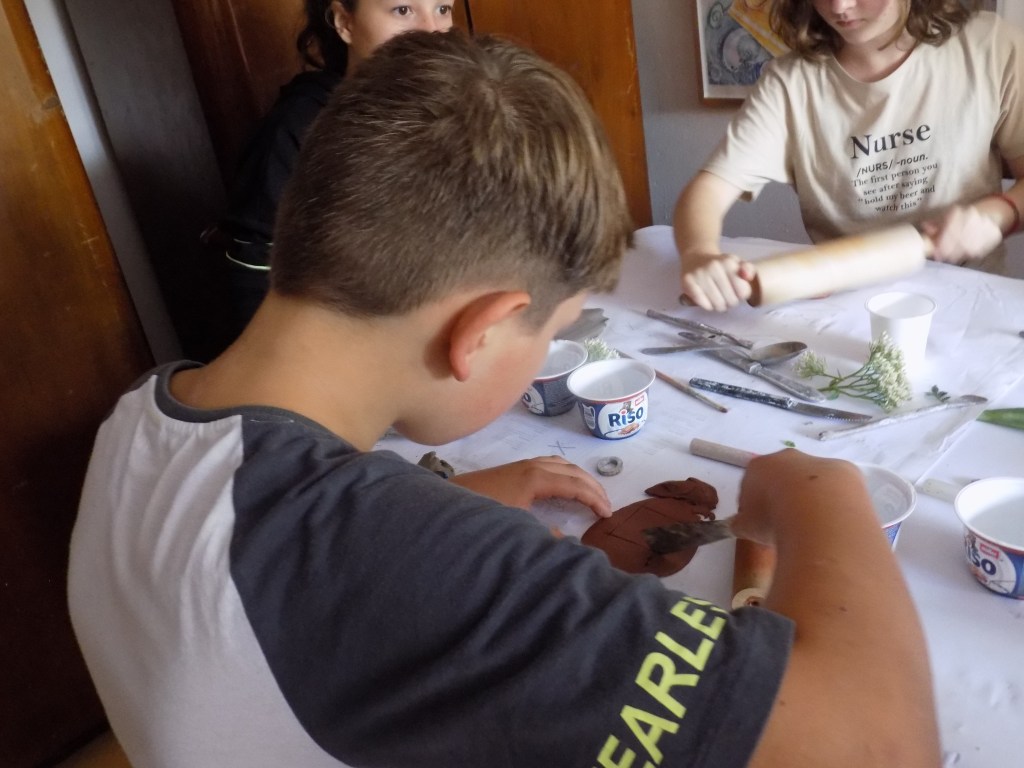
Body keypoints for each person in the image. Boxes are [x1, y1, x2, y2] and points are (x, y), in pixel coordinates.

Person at [69, 30, 939, 767]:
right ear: (481, 332)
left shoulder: (142, 415)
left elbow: (288, 571)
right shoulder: (402, 562)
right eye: (550, 332)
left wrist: (440, 500)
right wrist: (822, 494)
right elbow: (880, 745)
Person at [675, 0, 1024, 311]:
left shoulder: (990, 47)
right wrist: (698, 253)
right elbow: (709, 190)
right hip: (847, 305)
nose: (839, 7)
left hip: (970, 296)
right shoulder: (790, 83)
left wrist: (998, 215)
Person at [210, 0, 455, 340]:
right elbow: (256, 281)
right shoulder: (296, 130)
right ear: (344, 22)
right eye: (403, 10)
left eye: (443, 9)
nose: (431, 31)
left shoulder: (458, 107)